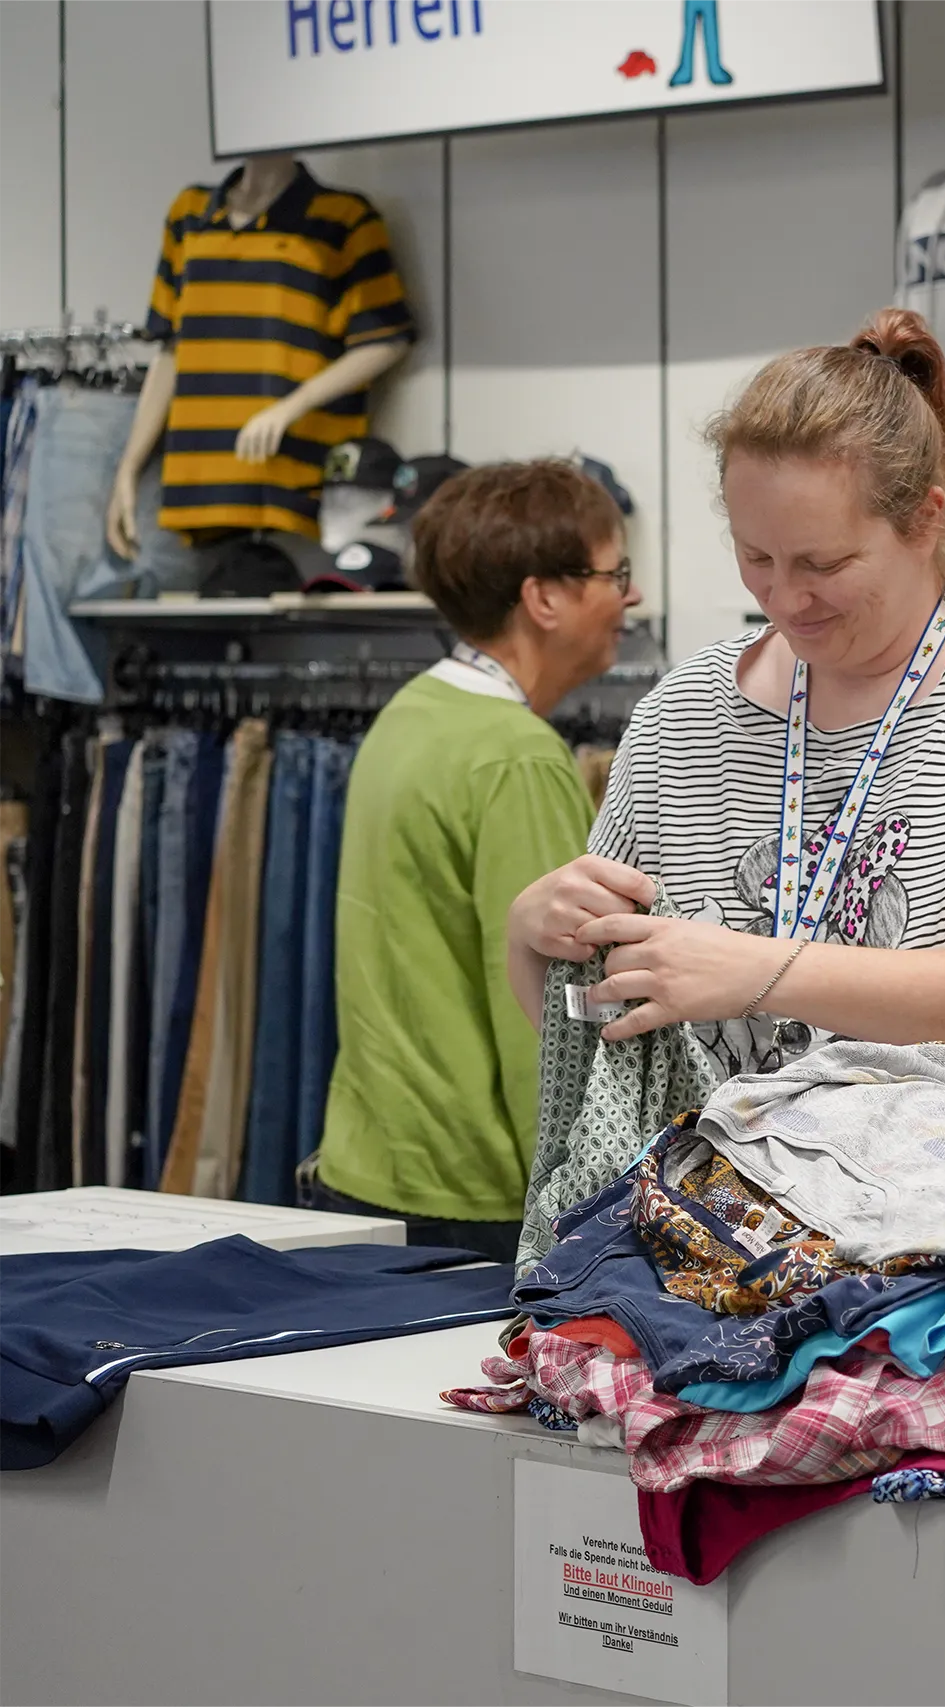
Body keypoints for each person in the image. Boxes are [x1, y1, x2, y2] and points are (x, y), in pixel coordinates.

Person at [505, 308, 945, 1084]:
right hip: (718, 1195)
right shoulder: (679, 713)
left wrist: (763, 970)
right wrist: (532, 940)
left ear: (925, 521)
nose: (786, 599)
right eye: (756, 555)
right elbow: (608, 1034)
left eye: (823, 563)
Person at [302, 462, 639, 1260]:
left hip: (369, 1160)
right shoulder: (515, 756)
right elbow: (552, 1017)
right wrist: (592, 1214)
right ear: (544, 597)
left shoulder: (410, 713)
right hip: (477, 1192)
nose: (631, 597)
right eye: (614, 573)